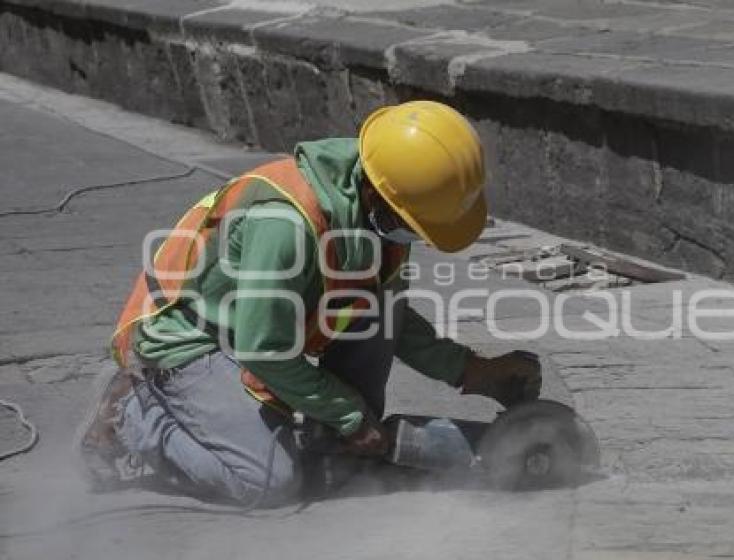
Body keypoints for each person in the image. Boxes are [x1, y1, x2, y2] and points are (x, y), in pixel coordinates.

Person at [77, 100, 542, 505]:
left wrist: (471, 371)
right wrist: (350, 415)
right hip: (193, 337)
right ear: (376, 193)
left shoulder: (381, 210)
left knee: (379, 312)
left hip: (265, 325)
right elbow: (264, 349)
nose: (412, 237)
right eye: (410, 226)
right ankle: (131, 414)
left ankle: (328, 444)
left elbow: (388, 313)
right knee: (265, 482)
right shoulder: (286, 225)